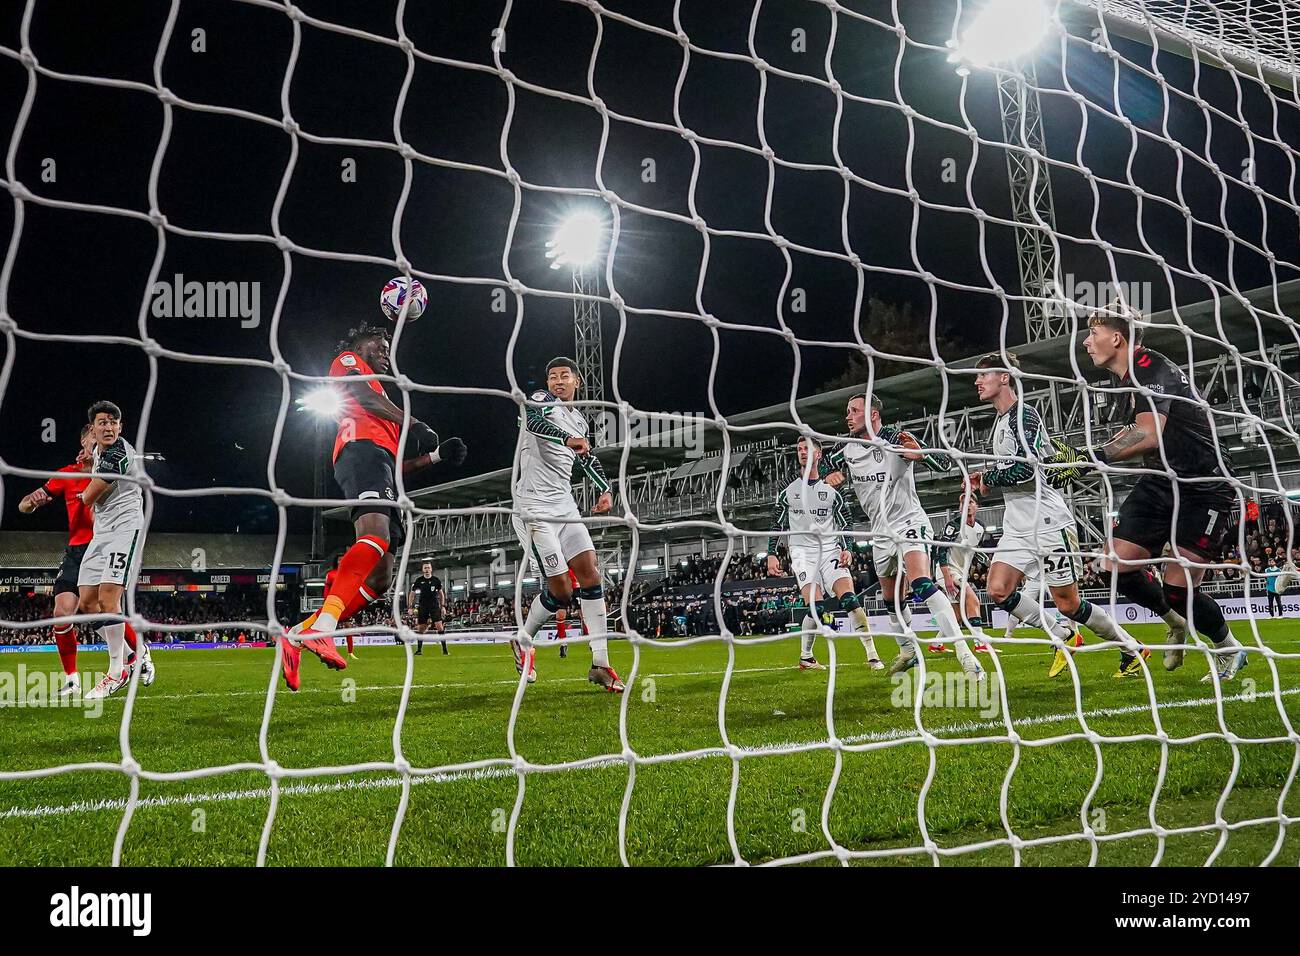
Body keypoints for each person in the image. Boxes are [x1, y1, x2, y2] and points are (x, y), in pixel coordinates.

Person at [285, 322, 466, 690]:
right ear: (360, 343)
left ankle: (300, 632)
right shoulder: (350, 362)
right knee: (375, 535)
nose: (385, 353)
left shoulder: (381, 400)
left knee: (382, 577)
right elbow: (365, 402)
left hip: (378, 463)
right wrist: (414, 422)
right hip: (358, 454)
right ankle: (324, 626)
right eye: (380, 345)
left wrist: (435, 456)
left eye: (388, 348)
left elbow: (394, 464)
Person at [1076, 304, 1244, 682]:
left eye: (1093, 333)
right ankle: (1176, 625)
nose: (1087, 342)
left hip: (1205, 485)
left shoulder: (1152, 368)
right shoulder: (1129, 377)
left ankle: (1228, 649)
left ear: (1116, 338)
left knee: (1176, 588)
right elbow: (1141, 434)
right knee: (1115, 566)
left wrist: (1090, 456)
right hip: (1161, 480)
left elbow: (1148, 434)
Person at [970, 352, 1144, 679]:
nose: (977, 382)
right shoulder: (1001, 421)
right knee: (998, 590)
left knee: (1069, 605)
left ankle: (1131, 648)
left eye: (984, 375)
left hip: (1048, 522)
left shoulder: (1025, 415)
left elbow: (1028, 469)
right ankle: (1063, 634)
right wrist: (988, 476)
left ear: (1004, 377)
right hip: (1017, 524)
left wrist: (989, 477)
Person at [822, 394, 982, 679]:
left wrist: (920, 454)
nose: (848, 416)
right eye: (847, 411)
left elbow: (941, 464)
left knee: (920, 581)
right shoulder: (844, 448)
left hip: (909, 521)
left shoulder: (896, 438)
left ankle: (965, 654)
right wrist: (830, 474)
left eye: (854, 411)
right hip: (879, 531)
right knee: (891, 599)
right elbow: (825, 466)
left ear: (872, 415)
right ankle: (908, 650)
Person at [509, 357, 623, 692]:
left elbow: (586, 456)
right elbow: (533, 423)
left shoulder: (579, 421)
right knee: (561, 591)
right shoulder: (540, 403)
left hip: (565, 507)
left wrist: (605, 488)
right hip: (532, 508)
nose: (558, 381)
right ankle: (523, 640)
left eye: (565, 376)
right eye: (553, 376)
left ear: (577, 382)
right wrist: (564, 438)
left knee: (590, 573)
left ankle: (600, 664)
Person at [766, 437, 882, 670]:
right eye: (799, 449)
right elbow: (776, 523)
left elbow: (845, 522)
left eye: (807, 449)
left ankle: (872, 654)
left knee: (849, 598)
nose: (802, 452)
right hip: (801, 552)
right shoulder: (788, 489)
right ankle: (806, 657)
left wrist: (848, 547)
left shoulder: (831, 491)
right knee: (815, 607)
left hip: (830, 549)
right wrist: (771, 553)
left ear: (818, 455)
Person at [77, 401, 155, 699]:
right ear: (93, 429)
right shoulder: (97, 454)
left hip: (125, 529)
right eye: (102, 422)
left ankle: (116, 671)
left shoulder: (120, 451)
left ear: (120, 427)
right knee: (86, 602)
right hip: (102, 533)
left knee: (109, 597)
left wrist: (83, 477)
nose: (108, 427)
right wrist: (87, 464)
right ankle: (136, 653)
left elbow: (87, 498)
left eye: (113, 422)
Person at [18, 425, 95, 696]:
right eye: (92, 438)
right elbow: (24, 506)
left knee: (98, 609)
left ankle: (138, 654)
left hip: (102, 548)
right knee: (61, 614)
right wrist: (31, 501)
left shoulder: (112, 474)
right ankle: (72, 679)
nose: (96, 442)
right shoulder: (66, 474)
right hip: (76, 551)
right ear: (83, 441)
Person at [408, 561, 447, 655]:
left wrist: (443, 606)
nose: (427, 569)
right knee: (421, 628)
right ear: (422, 570)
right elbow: (412, 594)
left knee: (439, 626)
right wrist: (410, 607)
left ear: (431, 569)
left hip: (434, 605)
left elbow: (441, 594)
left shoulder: (436, 580)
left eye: (428, 568)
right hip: (423, 606)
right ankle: (419, 650)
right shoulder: (418, 580)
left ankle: (445, 650)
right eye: (425, 568)